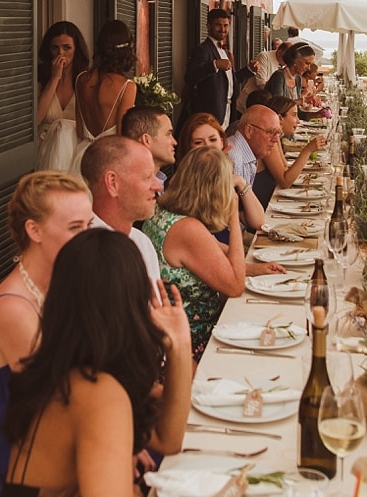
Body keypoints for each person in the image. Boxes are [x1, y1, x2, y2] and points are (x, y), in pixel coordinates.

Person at [0, 230, 192, 497]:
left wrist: (179, 346)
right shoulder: (97, 393)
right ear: (134, 307)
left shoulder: (70, 371)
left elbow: (168, 440)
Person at [0, 171, 95, 486]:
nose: (86, 238)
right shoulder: (13, 309)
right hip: (36, 466)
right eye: (75, 228)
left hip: (76, 440)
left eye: (89, 226)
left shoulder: (64, 283)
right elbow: (55, 406)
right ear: (34, 230)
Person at [143, 148, 281, 361]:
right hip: (195, 343)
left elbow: (213, 248)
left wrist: (255, 269)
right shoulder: (187, 229)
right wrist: (233, 215)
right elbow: (235, 286)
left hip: (174, 337)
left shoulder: (163, 213)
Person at [81, 136, 164, 286]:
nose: (158, 186)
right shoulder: (82, 251)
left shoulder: (142, 242)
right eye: (147, 177)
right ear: (113, 183)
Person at [69, 20, 138, 176]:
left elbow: (80, 131)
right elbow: (122, 137)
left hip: (81, 158)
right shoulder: (126, 86)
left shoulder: (81, 79)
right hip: (108, 161)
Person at [178, 112, 264, 231]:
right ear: (188, 148)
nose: (208, 146)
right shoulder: (183, 184)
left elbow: (258, 222)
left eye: (213, 140)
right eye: (198, 142)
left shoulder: (228, 171)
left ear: (222, 142)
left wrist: (240, 182)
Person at [251, 97, 325, 208]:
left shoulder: (276, 138)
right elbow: (285, 181)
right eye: (294, 115)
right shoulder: (269, 141)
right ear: (280, 118)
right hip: (262, 205)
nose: (298, 121)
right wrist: (307, 151)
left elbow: (285, 167)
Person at [35, 22, 90, 172]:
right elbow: (36, 119)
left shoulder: (85, 79)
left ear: (76, 49)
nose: (61, 53)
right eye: (55, 48)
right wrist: (54, 78)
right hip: (44, 151)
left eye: (67, 48)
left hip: (74, 152)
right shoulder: (40, 78)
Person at [182, 8, 235, 130]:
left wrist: (249, 70)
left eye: (226, 25)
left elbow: (229, 81)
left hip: (226, 111)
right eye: (218, 25)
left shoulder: (225, 52)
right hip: (211, 113)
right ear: (208, 26)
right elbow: (190, 76)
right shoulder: (203, 49)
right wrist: (214, 64)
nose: (222, 29)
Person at [225, 104, 283, 188]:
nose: (276, 140)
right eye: (271, 132)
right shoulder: (233, 159)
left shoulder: (245, 153)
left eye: (278, 133)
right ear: (249, 130)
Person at [121, 105, 176, 184]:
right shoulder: (127, 186)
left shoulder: (163, 183)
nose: (174, 142)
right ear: (146, 140)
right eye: (168, 134)